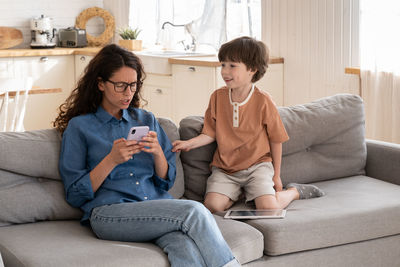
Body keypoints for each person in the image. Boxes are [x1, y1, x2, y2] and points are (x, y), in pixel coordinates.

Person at [55, 44, 240, 267]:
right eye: (120, 85)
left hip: (154, 207)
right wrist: (111, 160)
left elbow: (166, 182)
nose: (128, 93)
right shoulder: (80, 127)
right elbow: (75, 194)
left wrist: (158, 154)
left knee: (184, 246)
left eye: (133, 85)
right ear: (101, 84)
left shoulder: (146, 119)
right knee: (193, 210)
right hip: (109, 214)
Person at [172, 36, 324, 213]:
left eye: (232, 66)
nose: (225, 71)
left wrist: (276, 176)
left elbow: (276, 139)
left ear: (252, 69)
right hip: (225, 169)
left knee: (269, 208)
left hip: (258, 167)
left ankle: (294, 192)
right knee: (212, 206)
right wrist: (188, 143)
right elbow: (210, 133)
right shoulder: (217, 97)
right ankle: (241, 193)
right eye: (223, 65)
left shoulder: (263, 101)